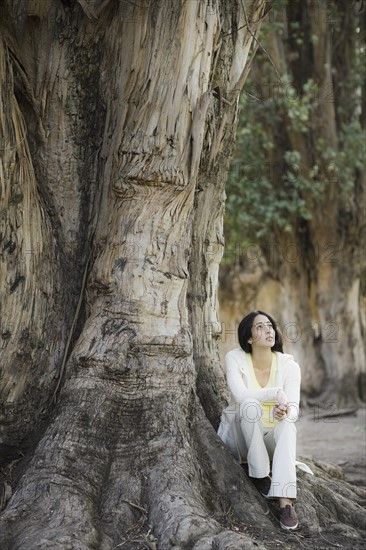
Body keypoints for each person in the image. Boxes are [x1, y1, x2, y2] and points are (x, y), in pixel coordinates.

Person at [218, 310, 301, 530]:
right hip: (243, 439)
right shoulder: (235, 358)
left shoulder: (289, 366)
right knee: (249, 405)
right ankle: (260, 473)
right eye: (260, 327)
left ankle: (285, 502)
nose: (268, 331)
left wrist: (284, 412)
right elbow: (240, 395)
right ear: (248, 337)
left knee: (288, 425)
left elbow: (294, 408)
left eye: (270, 326)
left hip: (272, 440)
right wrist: (274, 393)